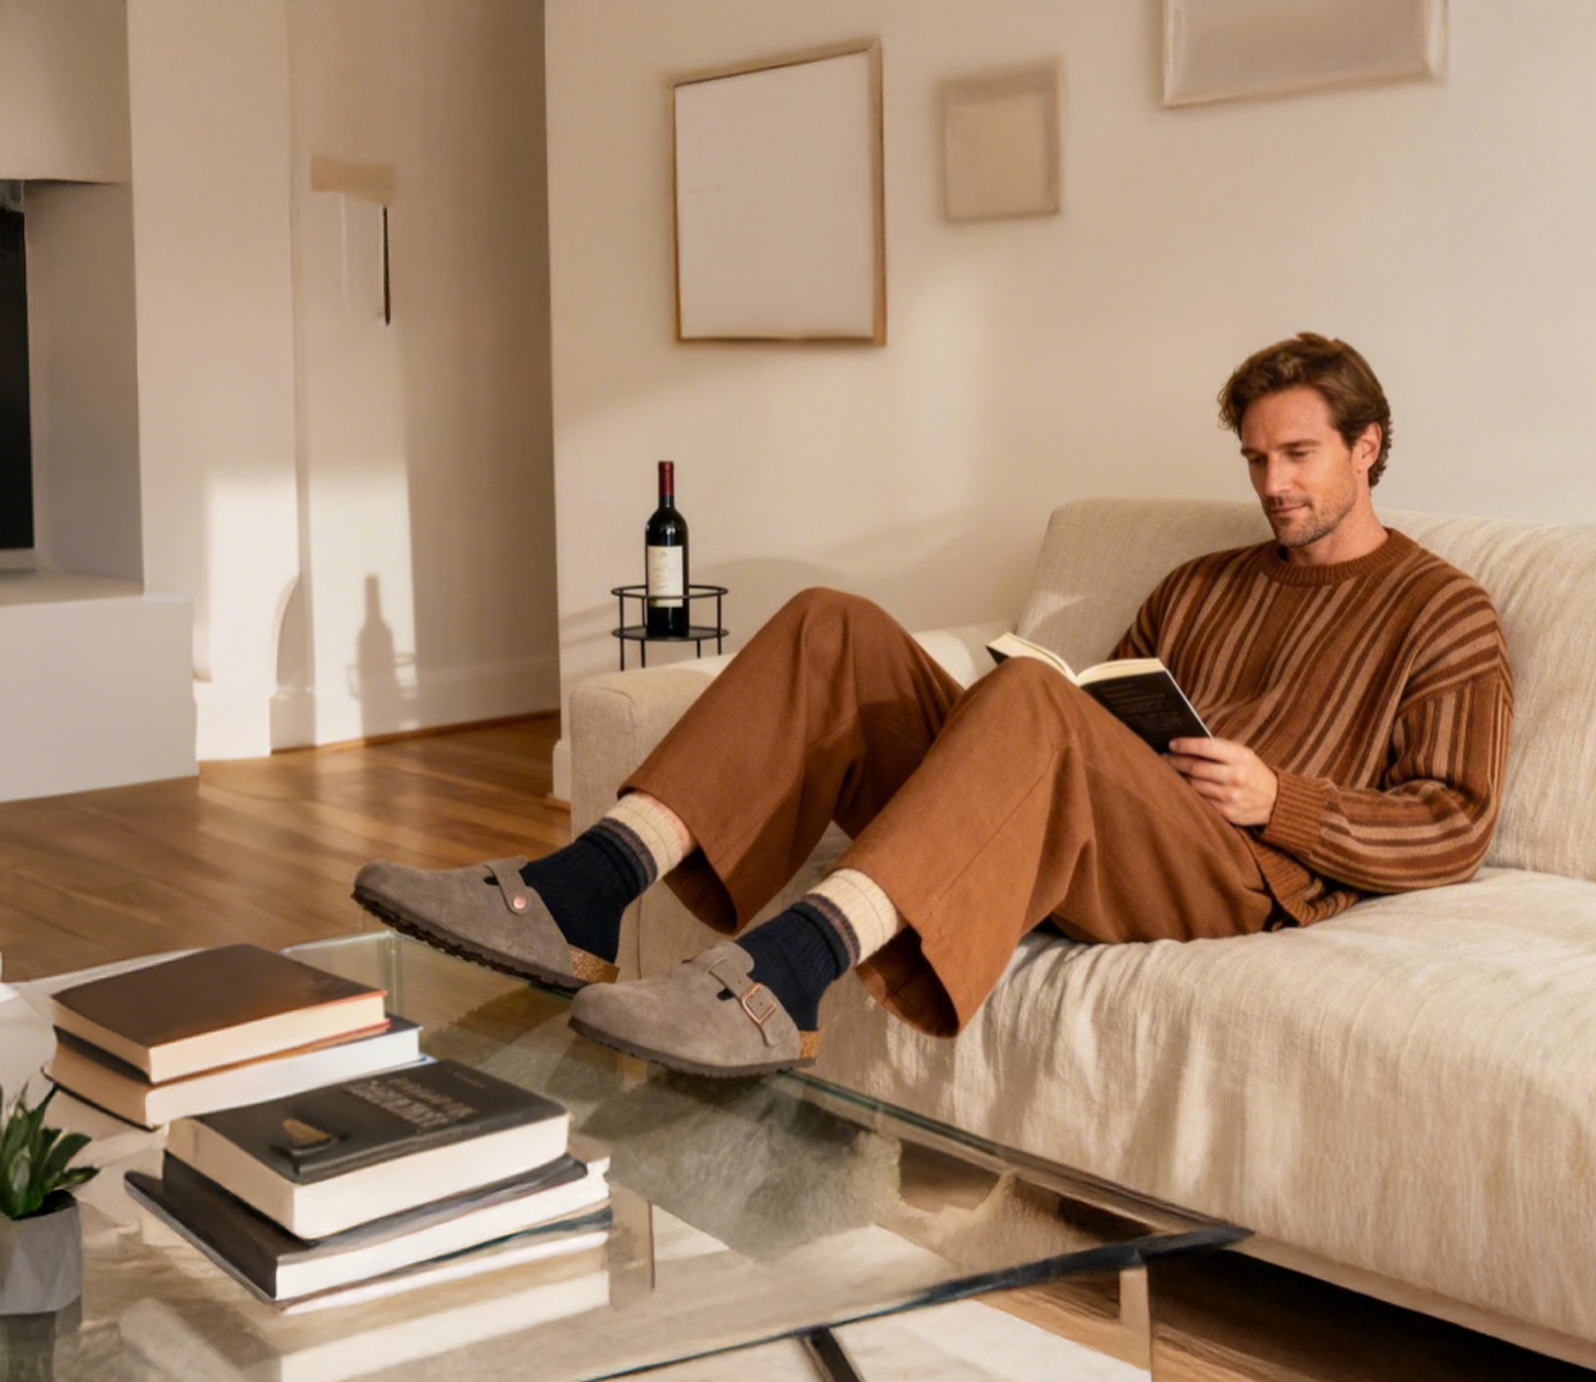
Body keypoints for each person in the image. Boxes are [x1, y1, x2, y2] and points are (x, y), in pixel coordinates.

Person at [354, 333, 1513, 1077]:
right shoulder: (1204, 581)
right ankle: (581, 894)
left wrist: (1282, 801)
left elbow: (1455, 822)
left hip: (1244, 871)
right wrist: (1056, 715)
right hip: (1121, 821)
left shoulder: (1440, 610)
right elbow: (1092, 713)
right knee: (833, 626)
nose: (1271, 486)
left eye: (1299, 456)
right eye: (1256, 461)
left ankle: (781, 981)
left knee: (1023, 697)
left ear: (1368, 447)